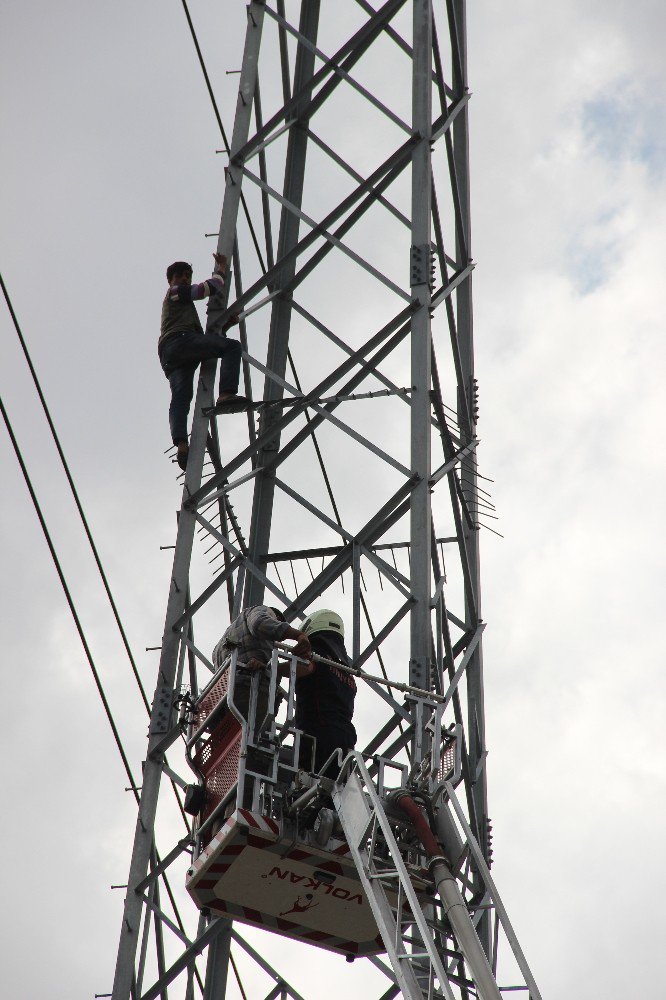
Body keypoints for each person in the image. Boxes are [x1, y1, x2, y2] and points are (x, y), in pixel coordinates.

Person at [158, 252, 247, 471]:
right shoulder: (175, 292)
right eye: (181, 276)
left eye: (188, 275)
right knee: (232, 347)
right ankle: (226, 394)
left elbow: (206, 343)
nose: (185, 279)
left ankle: (181, 444)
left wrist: (224, 327)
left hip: (173, 353)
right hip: (180, 342)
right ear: (171, 280)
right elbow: (207, 289)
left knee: (181, 396)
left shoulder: (181, 306)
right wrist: (221, 271)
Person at [212, 606, 313, 738]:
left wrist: (267, 666)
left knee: (234, 744)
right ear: (276, 618)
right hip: (250, 690)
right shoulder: (260, 610)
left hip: (224, 700)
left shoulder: (220, 645)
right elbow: (259, 623)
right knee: (258, 746)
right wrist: (298, 635)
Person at [295, 609, 356, 777]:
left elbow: (306, 667)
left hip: (318, 735)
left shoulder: (317, 652)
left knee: (312, 788)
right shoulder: (346, 671)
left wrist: (274, 669)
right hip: (346, 738)